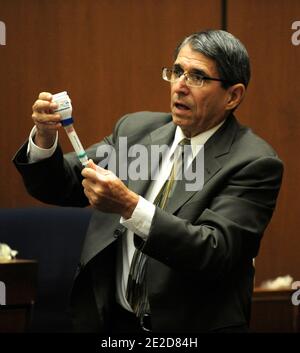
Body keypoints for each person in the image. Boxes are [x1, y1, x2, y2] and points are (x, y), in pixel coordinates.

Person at [13, 30, 283, 333]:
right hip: (110, 322)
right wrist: (45, 138)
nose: (180, 86)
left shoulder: (254, 162)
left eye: (197, 77)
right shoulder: (136, 130)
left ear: (233, 96)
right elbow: (62, 185)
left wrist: (131, 207)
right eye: (177, 71)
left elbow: (215, 251)